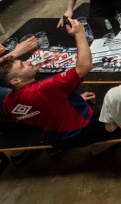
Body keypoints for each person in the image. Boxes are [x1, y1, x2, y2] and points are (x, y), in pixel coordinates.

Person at [0, 17, 110, 148]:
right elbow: (84, 66)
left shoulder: (8, 102)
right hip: (82, 130)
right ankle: (103, 143)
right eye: (22, 65)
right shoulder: (46, 87)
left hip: (55, 138)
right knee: (118, 99)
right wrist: (80, 34)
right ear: (16, 80)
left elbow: (41, 110)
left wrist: (72, 100)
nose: (28, 61)